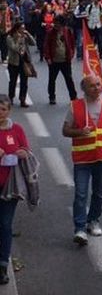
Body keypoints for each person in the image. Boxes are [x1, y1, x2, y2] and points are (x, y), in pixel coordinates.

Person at [62, 76, 102, 245]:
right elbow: (65, 130)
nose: (97, 88)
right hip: (82, 158)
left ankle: (93, 220)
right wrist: (80, 132)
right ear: (84, 89)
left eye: (98, 84)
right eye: (92, 86)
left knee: (99, 193)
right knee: (81, 194)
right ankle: (80, 228)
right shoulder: (75, 106)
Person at [0, 94, 30, 284]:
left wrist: (21, 153)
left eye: (3, 109)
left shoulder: (16, 129)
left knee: (4, 225)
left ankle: (2, 265)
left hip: (9, 187)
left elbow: (26, 150)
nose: (0, 112)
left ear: (9, 110)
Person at [43, 14, 78, 104]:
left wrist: (72, 53)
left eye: (58, 23)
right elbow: (46, 46)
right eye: (55, 23)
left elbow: (72, 43)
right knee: (52, 80)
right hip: (54, 60)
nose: (56, 25)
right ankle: (52, 97)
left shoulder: (67, 31)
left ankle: (73, 97)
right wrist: (48, 58)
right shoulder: (50, 32)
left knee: (69, 79)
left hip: (65, 60)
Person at [6, 22, 35, 107]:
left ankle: (22, 99)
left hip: (24, 62)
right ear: (16, 29)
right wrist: (19, 39)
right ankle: (11, 98)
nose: (23, 30)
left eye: (24, 28)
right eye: (21, 29)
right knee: (13, 81)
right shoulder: (10, 37)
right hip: (13, 62)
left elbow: (33, 43)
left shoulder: (24, 37)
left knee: (24, 82)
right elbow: (14, 48)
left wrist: (28, 35)